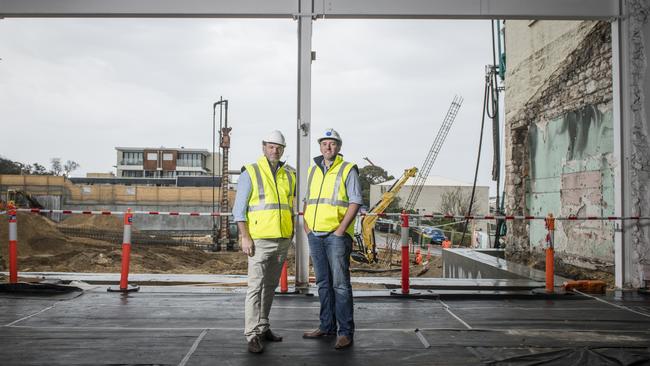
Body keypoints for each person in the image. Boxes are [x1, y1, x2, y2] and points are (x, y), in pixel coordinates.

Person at [233, 130, 296, 354]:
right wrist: (245, 236)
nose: (275, 150)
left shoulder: (290, 174)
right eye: (271, 146)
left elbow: (290, 207)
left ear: (283, 150)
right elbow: (239, 210)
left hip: (281, 240)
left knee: (270, 287)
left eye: (278, 147)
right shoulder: (250, 172)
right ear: (263, 147)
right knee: (255, 287)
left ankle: (263, 326)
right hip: (258, 240)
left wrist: (290, 235)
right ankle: (251, 335)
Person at [302, 128, 362, 350]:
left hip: (336, 236)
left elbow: (355, 201)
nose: (328, 147)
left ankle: (345, 332)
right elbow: (307, 200)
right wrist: (307, 226)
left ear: (339, 147)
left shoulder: (348, 169)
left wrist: (341, 230)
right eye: (325, 143)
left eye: (333, 143)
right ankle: (326, 326)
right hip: (315, 235)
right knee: (323, 284)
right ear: (320, 146)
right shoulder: (312, 171)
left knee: (340, 285)